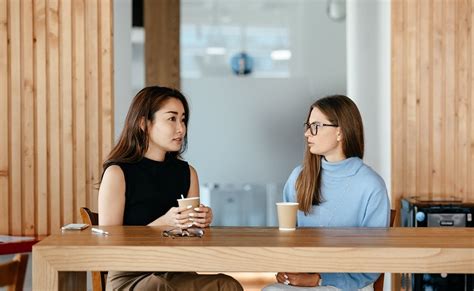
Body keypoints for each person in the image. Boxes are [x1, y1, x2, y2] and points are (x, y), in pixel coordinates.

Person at [98, 86, 243, 291]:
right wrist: (162, 225)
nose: (181, 129)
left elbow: (192, 240)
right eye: (171, 119)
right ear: (143, 124)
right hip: (131, 276)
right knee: (159, 287)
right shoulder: (117, 173)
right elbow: (108, 243)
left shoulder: (187, 173)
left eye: (183, 119)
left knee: (227, 285)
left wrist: (201, 225)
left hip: (177, 270)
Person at [263, 95, 390, 291]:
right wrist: (287, 269)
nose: (307, 133)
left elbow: (372, 264)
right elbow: (287, 240)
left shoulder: (371, 186)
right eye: (307, 125)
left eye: (316, 126)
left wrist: (318, 279)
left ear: (340, 132)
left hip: (349, 286)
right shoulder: (299, 178)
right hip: (302, 282)